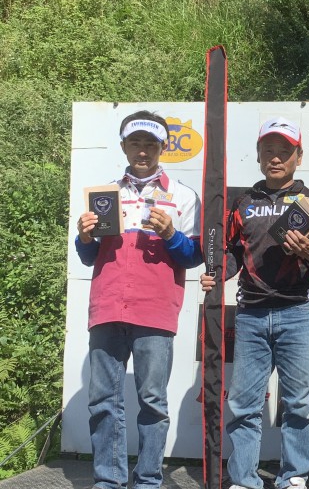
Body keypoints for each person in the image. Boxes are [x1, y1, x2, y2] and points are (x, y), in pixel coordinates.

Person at [200, 116, 309, 489]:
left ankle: (294, 477)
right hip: (251, 316)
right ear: (259, 156)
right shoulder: (243, 202)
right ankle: (244, 479)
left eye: (284, 151)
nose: (276, 158)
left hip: (299, 314)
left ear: (299, 156)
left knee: (299, 405)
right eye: (269, 151)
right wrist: (217, 272)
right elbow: (230, 253)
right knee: (244, 404)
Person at [75, 110, 203, 489]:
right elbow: (88, 256)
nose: (143, 150)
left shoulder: (182, 195)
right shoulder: (104, 194)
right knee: (103, 400)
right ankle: (108, 480)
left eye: (151, 143)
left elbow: (194, 256)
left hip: (155, 310)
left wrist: (171, 236)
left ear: (164, 147)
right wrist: (83, 237)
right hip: (107, 305)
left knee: (152, 401)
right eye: (136, 142)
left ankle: (147, 480)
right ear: (123, 147)